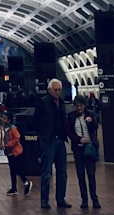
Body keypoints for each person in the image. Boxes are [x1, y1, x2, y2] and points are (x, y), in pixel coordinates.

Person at [34, 78, 72, 209]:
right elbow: (36, 120)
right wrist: (43, 136)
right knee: (46, 172)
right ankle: (44, 200)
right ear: (49, 90)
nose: (57, 92)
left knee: (62, 172)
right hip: (48, 141)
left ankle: (60, 199)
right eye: (55, 90)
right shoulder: (43, 102)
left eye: (59, 90)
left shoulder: (61, 103)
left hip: (60, 140)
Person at [67, 94, 101, 210]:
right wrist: (78, 139)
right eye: (77, 106)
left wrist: (90, 122)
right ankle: (84, 200)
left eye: (81, 106)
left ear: (84, 105)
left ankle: (94, 199)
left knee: (91, 174)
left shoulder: (90, 114)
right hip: (78, 149)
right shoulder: (72, 116)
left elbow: (95, 126)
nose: (79, 108)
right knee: (81, 175)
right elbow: (70, 132)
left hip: (89, 148)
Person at [0, 109, 32, 196]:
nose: (3, 120)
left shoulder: (13, 129)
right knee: (13, 170)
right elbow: (2, 138)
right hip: (9, 152)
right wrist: (1, 145)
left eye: (4, 118)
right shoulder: (3, 129)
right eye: (2, 118)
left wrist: (7, 144)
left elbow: (17, 138)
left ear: (9, 120)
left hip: (16, 152)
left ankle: (25, 182)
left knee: (17, 169)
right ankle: (14, 188)